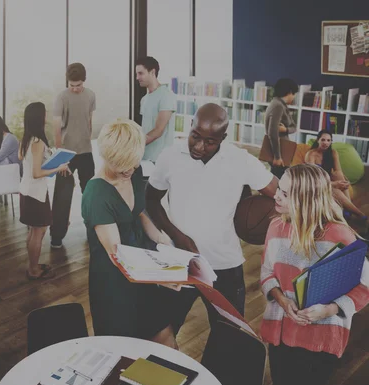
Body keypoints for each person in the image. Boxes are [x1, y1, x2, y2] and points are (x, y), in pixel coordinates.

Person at [146, 103, 279, 337]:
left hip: (225, 265)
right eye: (195, 136)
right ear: (190, 126)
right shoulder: (169, 156)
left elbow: (280, 194)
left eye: (209, 142)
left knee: (229, 336)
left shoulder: (241, 160)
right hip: (179, 262)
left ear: (222, 138)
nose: (199, 146)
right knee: (161, 335)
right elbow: (151, 201)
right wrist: (177, 235)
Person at [260, 164, 369, 385]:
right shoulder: (275, 226)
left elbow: (365, 285)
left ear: (306, 199)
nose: (276, 195)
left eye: (286, 193)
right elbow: (266, 272)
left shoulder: (340, 235)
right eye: (279, 188)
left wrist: (329, 310)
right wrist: (281, 300)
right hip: (280, 335)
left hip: (321, 338)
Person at [81, 119, 181, 348]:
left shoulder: (134, 171)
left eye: (133, 164)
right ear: (107, 157)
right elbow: (117, 254)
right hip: (115, 283)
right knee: (123, 352)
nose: (129, 170)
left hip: (143, 272)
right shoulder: (96, 194)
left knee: (165, 338)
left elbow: (138, 211)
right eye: (122, 165)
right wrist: (160, 276)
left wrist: (160, 238)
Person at [19, 102, 69, 279]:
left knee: (34, 231)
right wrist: (59, 167)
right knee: (38, 232)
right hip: (36, 193)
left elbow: (24, 160)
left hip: (26, 191)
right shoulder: (37, 142)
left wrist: (49, 157)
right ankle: (34, 270)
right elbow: (37, 172)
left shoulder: (26, 139)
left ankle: (32, 264)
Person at [50, 63, 96, 249]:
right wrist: (60, 152)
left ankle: (93, 232)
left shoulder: (91, 95)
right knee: (62, 196)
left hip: (86, 152)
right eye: (72, 85)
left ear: (84, 81)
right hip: (66, 154)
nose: (75, 88)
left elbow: (90, 120)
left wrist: (87, 137)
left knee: (90, 195)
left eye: (78, 85)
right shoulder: (62, 97)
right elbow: (56, 125)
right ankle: (56, 237)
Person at [305, 130, 367, 221]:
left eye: (328, 140)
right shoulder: (311, 154)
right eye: (323, 140)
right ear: (318, 140)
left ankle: (348, 209)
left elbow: (339, 171)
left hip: (327, 180)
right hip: (314, 183)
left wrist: (344, 181)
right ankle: (359, 214)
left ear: (331, 142)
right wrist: (334, 184)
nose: (325, 143)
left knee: (338, 176)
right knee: (335, 191)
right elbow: (313, 178)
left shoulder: (333, 152)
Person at [135, 56, 176, 162]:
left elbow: (158, 130)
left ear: (152, 72)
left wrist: (133, 146)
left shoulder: (166, 95)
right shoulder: (144, 99)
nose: (137, 77)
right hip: (144, 158)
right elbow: (145, 128)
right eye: (137, 74)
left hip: (160, 160)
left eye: (140, 73)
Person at [265, 78, 298, 178]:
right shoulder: (278, 106)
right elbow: (272, 133)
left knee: (280, 178)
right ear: (290, 92)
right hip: (278, 151)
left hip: (282, 149)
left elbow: (294, 127)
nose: (294, 96)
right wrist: (277, 156)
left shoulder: (280, 104)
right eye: (294, 93)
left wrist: (286, 130)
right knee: (279, 180)